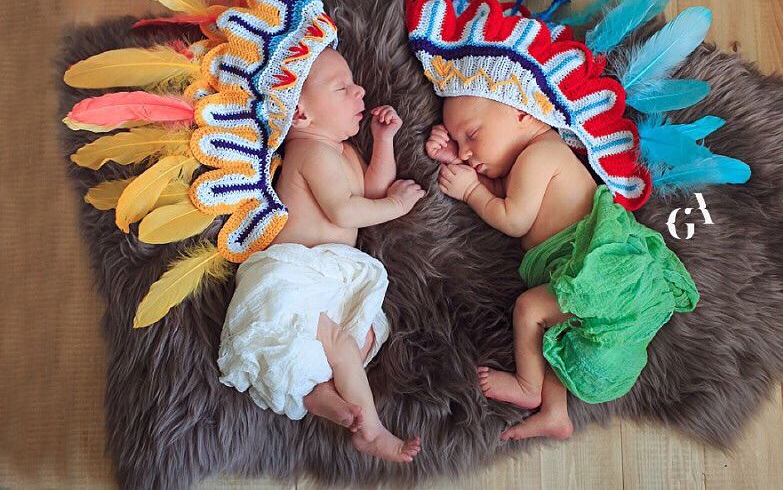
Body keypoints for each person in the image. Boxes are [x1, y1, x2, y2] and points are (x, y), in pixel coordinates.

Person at [425, 92, 698, 441]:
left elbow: (514, 219)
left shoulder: (540, 154)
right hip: (574, 275)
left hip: (593, 271)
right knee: (559, 331)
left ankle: (528, 386)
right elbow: (502, 191)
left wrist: (469, 193)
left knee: (529, 310)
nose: (465, 151)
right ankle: (556, 412)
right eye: (458, 141)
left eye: (472, 135)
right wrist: (458, 162)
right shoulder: (522, 162)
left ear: (521, 113)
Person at [218, 46, 424, 463]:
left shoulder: (342, 151)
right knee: (340, 342)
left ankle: (321, 392)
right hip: (297, 276)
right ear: (300, 115)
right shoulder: (310, 153)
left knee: (362, 336)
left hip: (330, 278)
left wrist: (383, 142)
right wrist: (396, 206)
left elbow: (368, 191)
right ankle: (371, 430)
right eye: (342, 88)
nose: (359, 90)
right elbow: (345, 211)